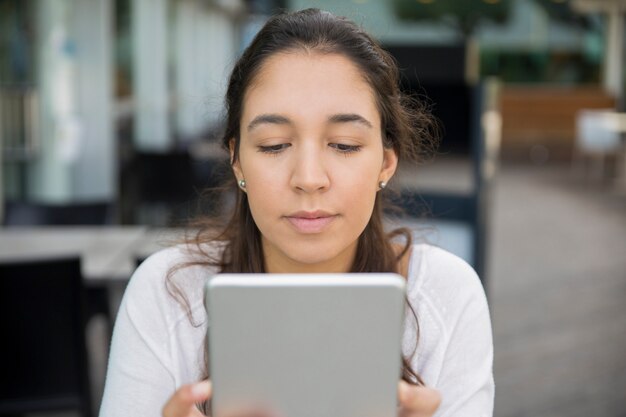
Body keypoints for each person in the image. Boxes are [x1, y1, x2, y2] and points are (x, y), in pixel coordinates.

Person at [99, 8, 494, 417]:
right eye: (273, 145)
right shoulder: (168, 294)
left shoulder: (446, 298)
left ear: (386, 162)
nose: (308, 178)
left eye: (343, 145)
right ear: (236, 162)